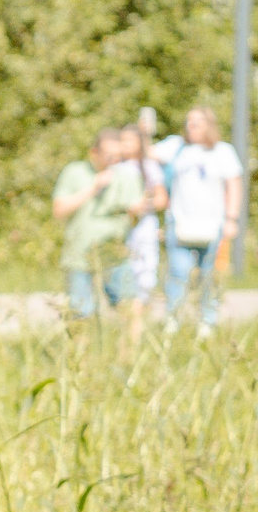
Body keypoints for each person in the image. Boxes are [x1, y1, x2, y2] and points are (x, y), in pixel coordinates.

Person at [52, 126, 149, 341]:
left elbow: (135, 219)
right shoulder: (75, 172)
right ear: (94, 152)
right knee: (79, 315)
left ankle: (128, 364)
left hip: (114, 255)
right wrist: (94, 188)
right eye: (108, 155)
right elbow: (59, 210)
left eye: (118, 155)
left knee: (131, 309)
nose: (114, 160)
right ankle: (81, 367)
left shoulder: (128, 176)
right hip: (79, 257)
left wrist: (136, 212)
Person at [163, 105, 244, 335]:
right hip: (179, 223)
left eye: (196, 122)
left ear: (209, 125)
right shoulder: (177, 148)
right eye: (188, 122)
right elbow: (147, 152)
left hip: (213, 224)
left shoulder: (222, 151)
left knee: (209, 274)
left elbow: (234, 184)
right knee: (178, 273)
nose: (191, 127)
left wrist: (232, 218)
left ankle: (207, 320)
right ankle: (174, 319)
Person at [125, 111, 170, 326]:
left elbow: (162, 199)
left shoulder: (149, 167)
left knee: (146, 274)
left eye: (130, 140)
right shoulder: (115, 168)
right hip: (122, 228)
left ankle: (139, 315)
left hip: (144, 227)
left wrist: (143, 206)